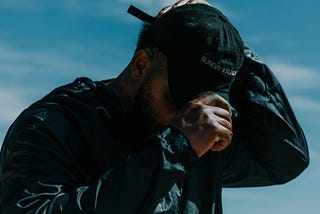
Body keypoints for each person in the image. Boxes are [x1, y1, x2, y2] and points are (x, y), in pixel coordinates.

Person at [0, 1, 309, 213]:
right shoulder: (53, 124)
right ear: (141, 65)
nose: (192, 116)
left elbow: (285, 160)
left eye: (206, 104)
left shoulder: (203, 132)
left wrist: (228, 44)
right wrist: (175, 147)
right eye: (178, 100)